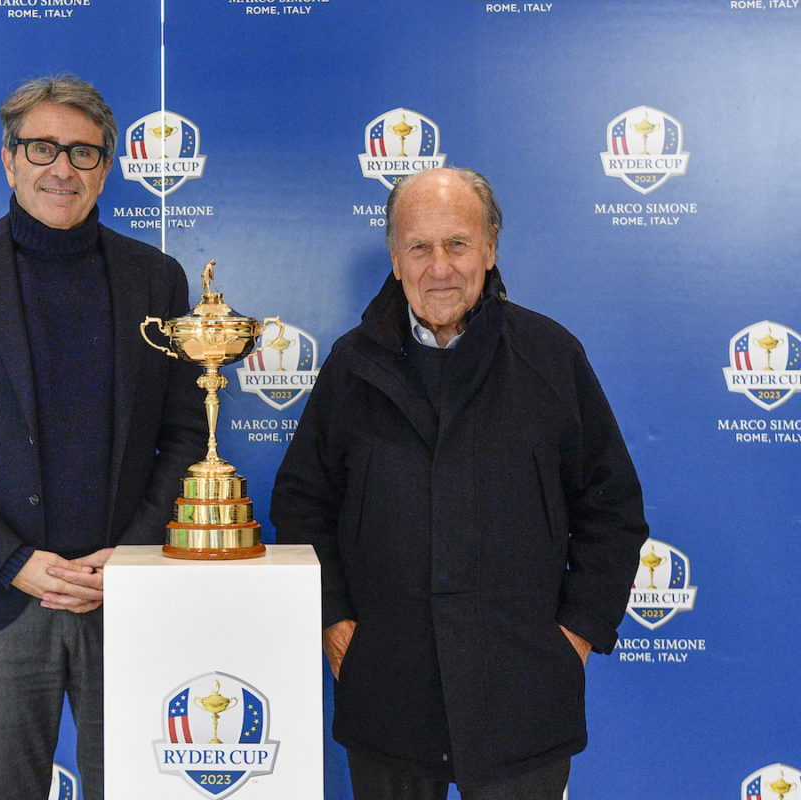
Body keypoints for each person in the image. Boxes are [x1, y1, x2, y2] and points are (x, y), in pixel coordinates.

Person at [271, 167, 648, 799]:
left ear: (491, 247)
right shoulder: (351, 364)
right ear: (395, 259)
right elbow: (303, 505)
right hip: (387, 697)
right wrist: (334, 621)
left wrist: (574, 638)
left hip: (524, 701)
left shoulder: (552, 356)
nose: (438, 266)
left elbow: (612, 510)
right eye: (419, 247)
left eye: (458, 244)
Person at [0, 75, 206, 800]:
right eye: (41, 148)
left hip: (122, 597)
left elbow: (188, 435)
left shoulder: (156, 279)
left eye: (84, 153)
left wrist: (126, 559)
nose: (62, 168)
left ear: (109, 166)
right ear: (8, 160)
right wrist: (13, 561)